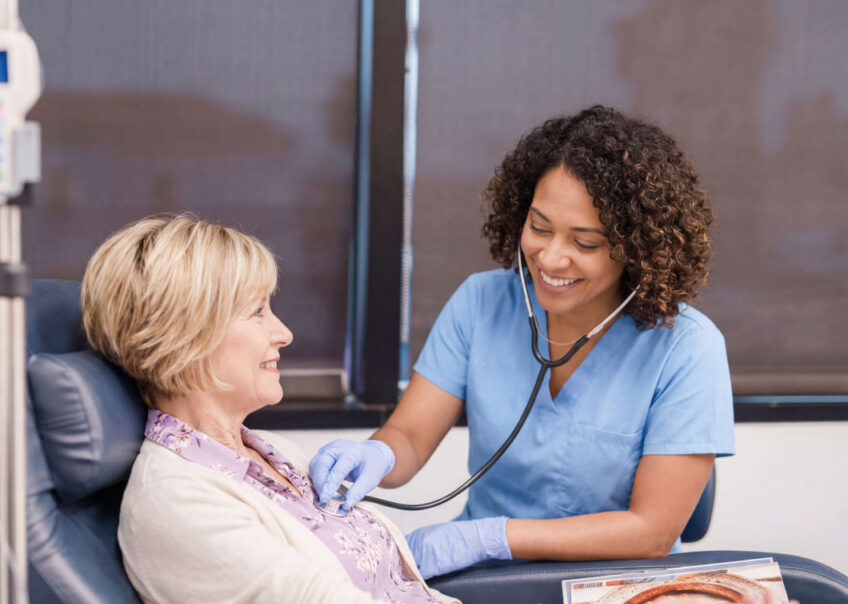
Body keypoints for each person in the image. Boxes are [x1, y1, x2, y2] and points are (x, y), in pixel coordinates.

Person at [81, 213, 795, 604]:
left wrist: (501, 556)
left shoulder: (260, 459)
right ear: (188, 333)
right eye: (259, 312)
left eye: (586, 241)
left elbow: (653, 529)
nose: (287, 334)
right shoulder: (181, 500)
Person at [311, 105, 734, 579]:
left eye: (586, 243)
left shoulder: (687, 349)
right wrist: (377, 455)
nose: (551, 258)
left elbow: (651, 531)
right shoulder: (481, 303)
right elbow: (409, 436)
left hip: (615, 588)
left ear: (638, 248)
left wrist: (488, 537)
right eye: (539, 227)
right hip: (485, 577)